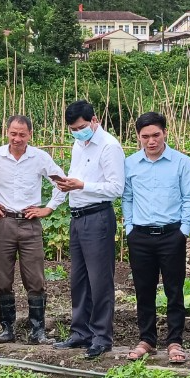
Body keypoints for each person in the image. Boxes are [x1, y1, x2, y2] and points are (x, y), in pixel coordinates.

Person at [48, 100, 125, 359]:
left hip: (97, 217)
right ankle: (80, 332)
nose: (77, 132)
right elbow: (74, 177)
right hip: (77, 217)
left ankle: (102, 336)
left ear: (95, 120)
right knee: (78, 279)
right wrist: (61, 192)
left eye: (81, 127)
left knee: (100, 280)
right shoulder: (78, 145)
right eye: (72, 129)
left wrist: (82, 185)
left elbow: (116, 188)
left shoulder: (109, 146)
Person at [0, 115, 65, 344]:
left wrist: (48, 208)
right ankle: (7, 328)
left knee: (35, 279)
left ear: (30, 134)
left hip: (30, 223)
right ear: (6, 132)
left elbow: (62, 183)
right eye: (13, 133)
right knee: (2, 279)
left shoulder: (39, 157)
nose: (17, 138)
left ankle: (37, 330)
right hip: (3, 223)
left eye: (22, 134)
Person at [123, 112, 190, 364]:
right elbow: (127, 197)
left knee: (174, 289)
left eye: (156, 135)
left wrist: (183, 230)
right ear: (138, 137)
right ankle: (147, 339)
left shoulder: (181, 162)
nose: (151, 141)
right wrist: (129, 228)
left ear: (165, 133)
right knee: (144, 290)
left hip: (171, 235)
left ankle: (175, 341)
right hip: (140, 236)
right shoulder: (130, 163)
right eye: (145, 136)